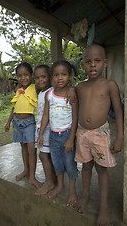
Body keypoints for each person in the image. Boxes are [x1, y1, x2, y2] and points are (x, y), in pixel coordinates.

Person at [74, 44, 124, 226]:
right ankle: (86, 194)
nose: (92, 65)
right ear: (83, 65)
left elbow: (118, 111)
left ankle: (104, 206)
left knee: (102, 169)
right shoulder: (79, 87)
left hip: (100, 134)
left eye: (97, 61)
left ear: (105, 63)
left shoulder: (110, 85)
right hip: (82, 134)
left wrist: (120, 137)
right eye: (88, 62)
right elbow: (75, 108)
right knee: (86, 167)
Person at [37, 60, 78, 207]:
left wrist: (71, 139)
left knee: (70, 164)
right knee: (57, 163)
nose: (60, 78)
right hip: (53, 136)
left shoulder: (71, 94)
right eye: (56, 75)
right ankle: (60, 185)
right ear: (51, 77)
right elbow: (46, 116)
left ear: (69, 76)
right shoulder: (49, 94)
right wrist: (41, 134)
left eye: (64, 74)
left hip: (67, 135)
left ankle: (72, 191)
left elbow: (75, 118)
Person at [4, 62, 42, 189]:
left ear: (31, 75)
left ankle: (32, 177)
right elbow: (14, 106)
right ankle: (26, 170)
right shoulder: (19, 90)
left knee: (32, 149)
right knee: (23, 147)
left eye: (26, 74)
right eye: (19, 75)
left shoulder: (34, 87)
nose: (23, 78)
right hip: (16, 122)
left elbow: (46, 85)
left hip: (29, 123)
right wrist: (9, 121)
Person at [34, 64, 56, 195]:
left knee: (43, 155)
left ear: (50, 77)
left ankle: (49, 182)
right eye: (37, 77)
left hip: (46, 128)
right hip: (41, 128)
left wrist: (41, 133)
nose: (40, 80)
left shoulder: (52, 91)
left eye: (43, 77)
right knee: (46, 155)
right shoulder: (41, 92)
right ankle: (52, 179)